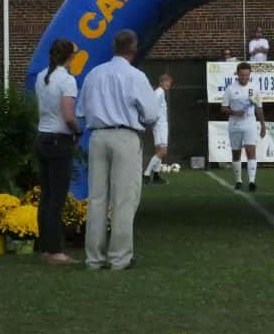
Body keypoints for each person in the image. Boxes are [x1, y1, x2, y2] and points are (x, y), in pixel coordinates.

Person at [76, 30, 159, 271]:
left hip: (98, 136)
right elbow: (151, 114)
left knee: (97, 198)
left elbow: (81, 110)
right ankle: (119, 257)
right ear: (133, 49)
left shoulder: (94, 74)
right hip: (124, 135)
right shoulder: (135, 76)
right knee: (124, 199)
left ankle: (94, 258)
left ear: (114, 47)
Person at [34, 38, 82, 265]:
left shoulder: (42, 77)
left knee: (46, 196)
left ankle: (45, 247)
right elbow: (68, 115)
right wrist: (78, 130)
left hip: (42, 137)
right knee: (57, 198)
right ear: (69, 56)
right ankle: (56, 251)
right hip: (60, 140)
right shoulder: (67, 80)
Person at [222, 62, 267, 191]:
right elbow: (223, 108)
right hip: (235, 124)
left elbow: (259, 108)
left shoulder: (254, 89)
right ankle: (238, 181)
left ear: (249, 74)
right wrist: (234, 112)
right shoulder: (230, 89)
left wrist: (263, 125)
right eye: (242, 75)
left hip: (250, 123)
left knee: (250, 151)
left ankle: (252, 181)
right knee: (236, 153)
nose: (244, 77)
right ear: (237, 74)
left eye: (247, 75)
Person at [143, 74, 173, 184]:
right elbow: (153, 108)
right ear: (161, 82)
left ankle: (155, 175)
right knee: (162, 151)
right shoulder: (159, 92)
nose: (168, 83)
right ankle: (146, 174)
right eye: (166, 81)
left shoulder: (161, 92)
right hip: (160, 125)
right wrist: (153, 122)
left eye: (169, 82)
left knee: (159, 151)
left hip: (161, 125)